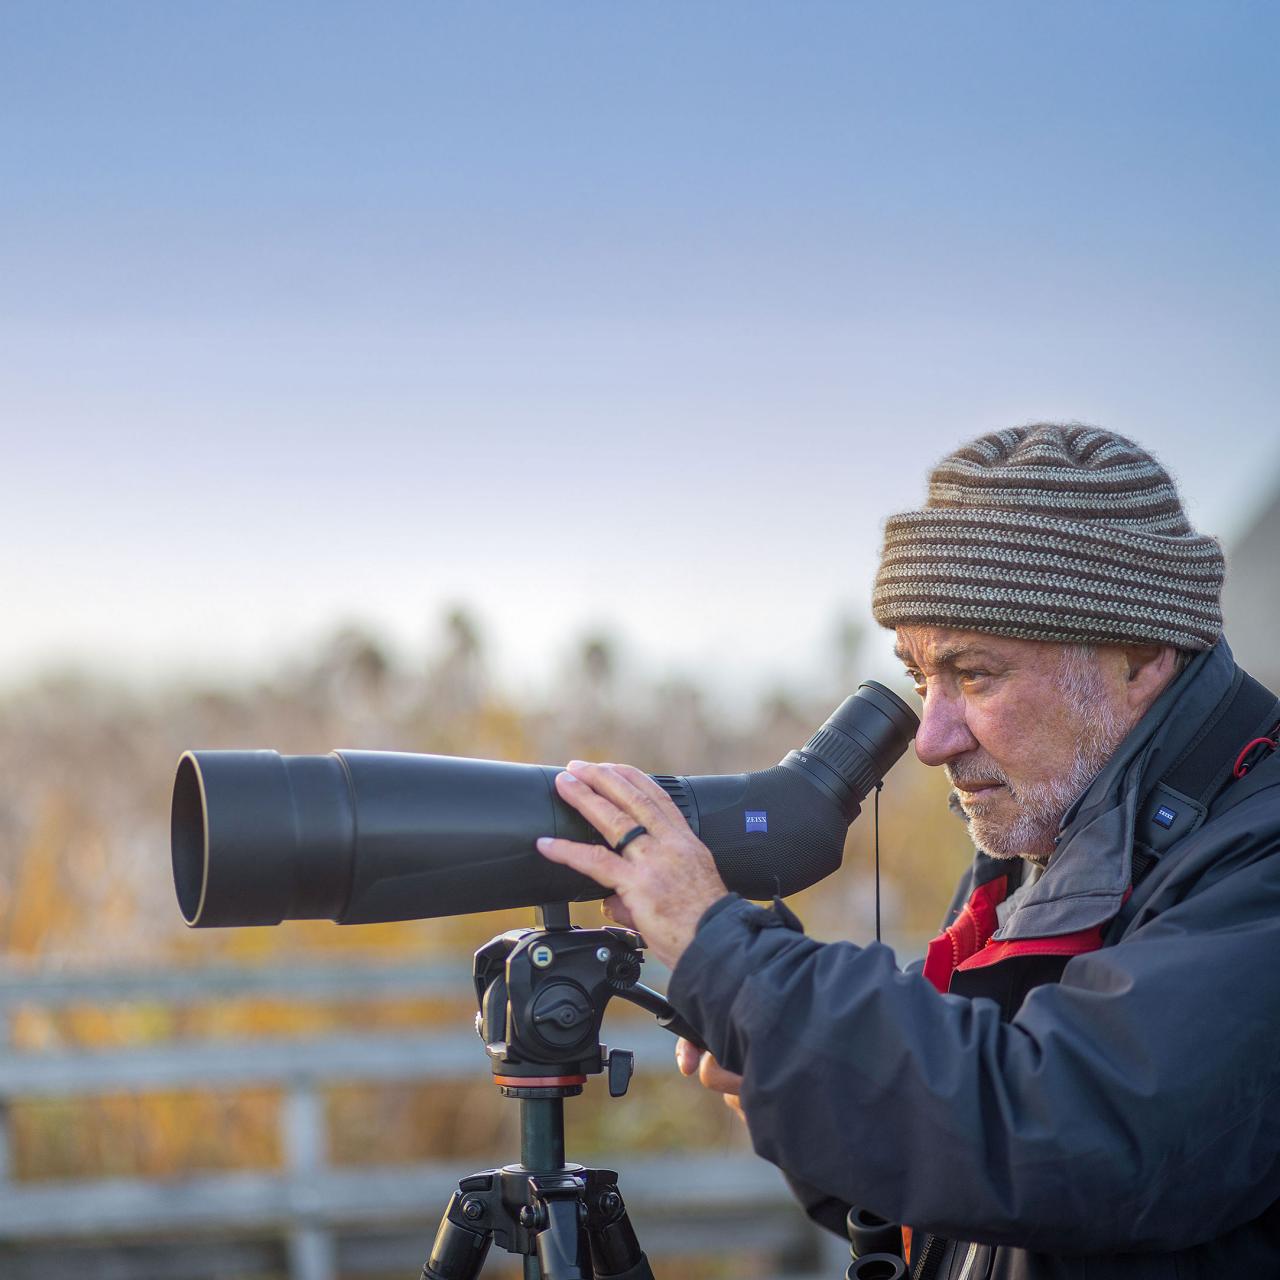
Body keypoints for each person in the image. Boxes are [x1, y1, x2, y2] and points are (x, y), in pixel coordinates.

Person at [536, 424, 1280, 1280]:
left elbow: (1072, 1135)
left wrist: (736, 962)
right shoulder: (1056, 841)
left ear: (1141, 653)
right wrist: (795, 1065)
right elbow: (978, 1192)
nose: (929, 738)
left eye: (974, 675)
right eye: (919, 677)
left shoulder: (1255, 856)